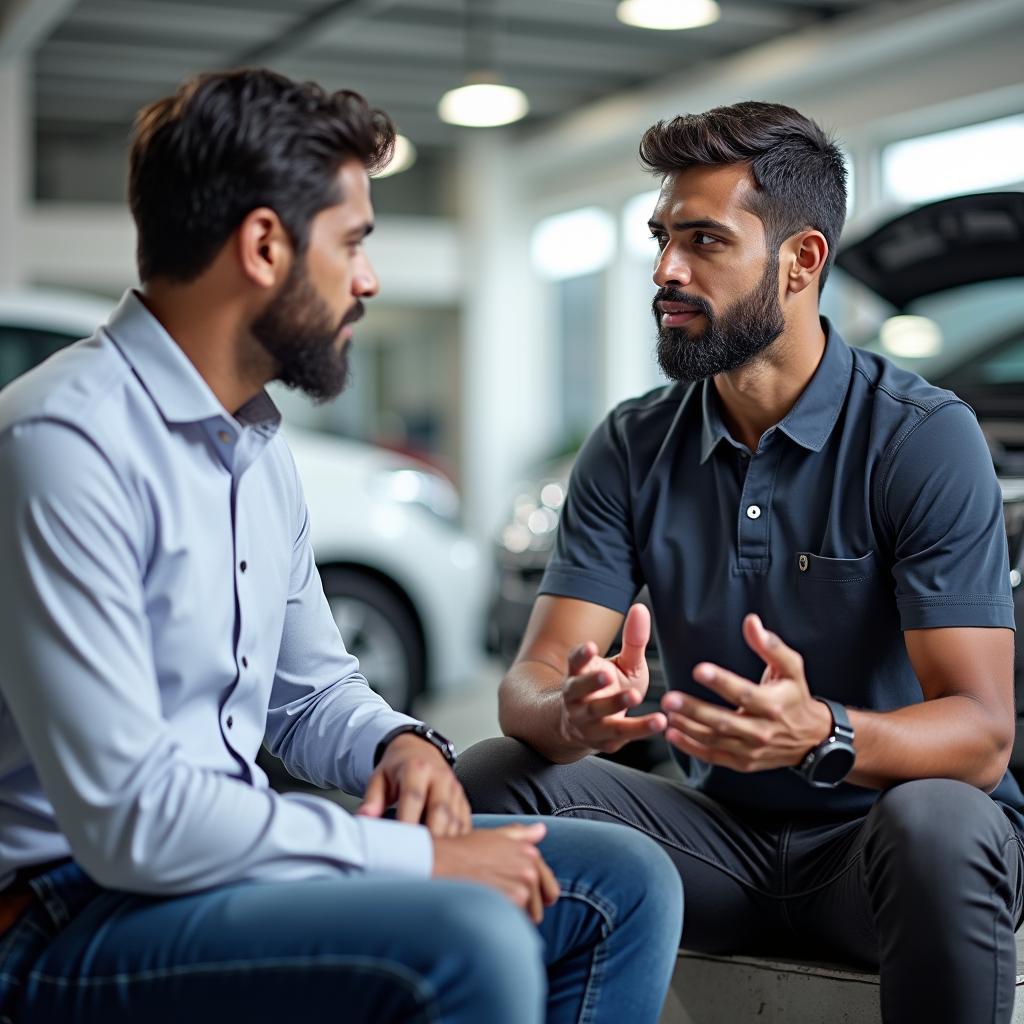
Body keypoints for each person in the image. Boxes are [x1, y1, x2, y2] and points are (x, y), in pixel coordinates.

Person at [0, 69, 683, 1024]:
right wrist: (421, 856)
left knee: (620, 882)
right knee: (470, 939)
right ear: (266, 245)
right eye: (355, 242)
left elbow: (310, 691)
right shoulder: (61, 445)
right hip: (57, 910)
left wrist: (401, 745)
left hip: (209, 866)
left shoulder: (255, 440)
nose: (368, 279)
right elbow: (133, 821)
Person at [456, 100, 1024, 1024]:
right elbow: (531, 679)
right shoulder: (632, 444)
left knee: (947, 820)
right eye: (661, 237)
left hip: (873, 851)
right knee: (491, 775)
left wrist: (824, 733)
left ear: (801, 262)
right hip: (715, 845)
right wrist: (570, 713)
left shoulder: (922, 437)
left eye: (704, 241)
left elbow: (982, 733)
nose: (665, 270)